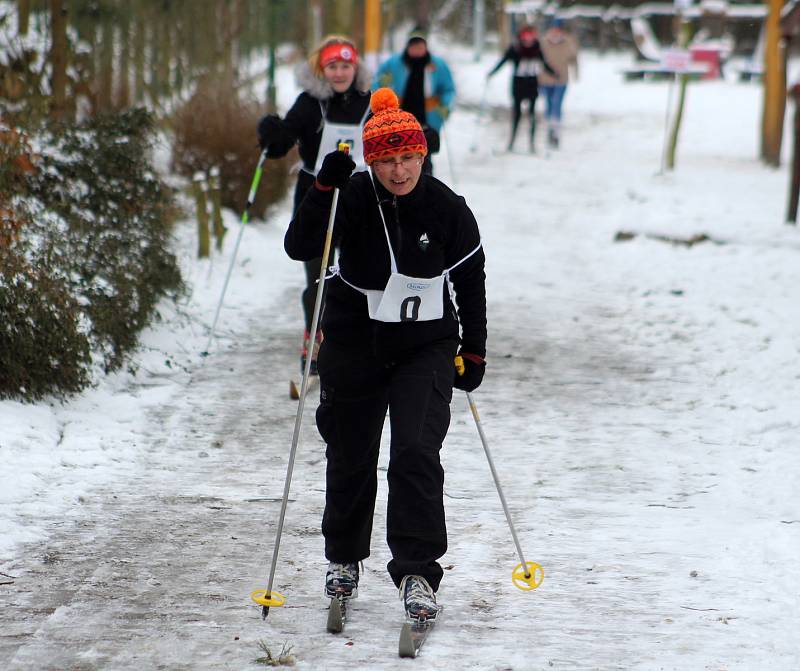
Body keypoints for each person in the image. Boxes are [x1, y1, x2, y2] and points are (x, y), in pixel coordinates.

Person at [284, 88, 486, 622]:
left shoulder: (447, 207)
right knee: (350, 449)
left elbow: (470, 278)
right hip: (355, 341)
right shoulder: (351, 196)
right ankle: (344, 559)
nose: (399, 171)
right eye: (387, 161)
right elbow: (300, 246)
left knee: (416, 451)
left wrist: (475, 350)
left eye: (408, 158)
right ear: (371, 161)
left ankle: (418, 570)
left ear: (422, 155)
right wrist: (324, 185)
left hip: (425, 346)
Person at [256, 35, 372, 375]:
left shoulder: (368, 102)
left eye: (345, 66)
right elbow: (284, 139)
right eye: (332, 66)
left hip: (358, 195)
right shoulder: (309, 103)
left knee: (361, 270)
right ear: (321, 70)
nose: (339, 73)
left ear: (356, 67)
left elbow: (389, 133)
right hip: (315, 194)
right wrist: (271, 133)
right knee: (318, 274)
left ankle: (354, 341)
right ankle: (316, 340)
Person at [373, 28, 456, 175]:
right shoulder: (394, 63)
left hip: (428, 118)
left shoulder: (437, 65)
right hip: (399, 117)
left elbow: (448, 88)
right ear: (408, 46)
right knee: (399, 152)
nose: (417, 49)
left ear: (425, 46)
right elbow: (377, 83)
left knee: (425, 154)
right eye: (413, 45)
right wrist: (382, 88)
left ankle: (426, 182)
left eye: (420, 45)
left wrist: (445, 105)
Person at [487, 25, 555, 153]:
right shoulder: (515, 48)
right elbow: (503, 61)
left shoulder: (537, 48)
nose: (529, 39)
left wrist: (553, 73)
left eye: (531, 36)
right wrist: (492, 73)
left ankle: (532, 144)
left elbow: (544, 63)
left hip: (532, 85)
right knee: (516, 114)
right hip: (518, 85)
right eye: (526, 36)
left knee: (532, 114)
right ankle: (511, 142)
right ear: (522, 36)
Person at [538, 18, 579, 149]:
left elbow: (574, 58)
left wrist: (576, 72)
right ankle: (550, 128)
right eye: (553, 30)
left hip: (561, 79)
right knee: (549, 105)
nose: (555, 33)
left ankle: (555, 131)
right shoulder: (543, 43)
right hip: (545, 79)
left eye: (558, 30)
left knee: (557, 103)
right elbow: (537, 59)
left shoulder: (568, 42)